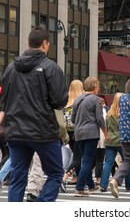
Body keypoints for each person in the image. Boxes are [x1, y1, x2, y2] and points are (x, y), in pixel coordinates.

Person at [2, 26, 68, 202]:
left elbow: (5, 100)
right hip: (43, 131)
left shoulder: (10, 68)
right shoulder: (51, 68)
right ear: (45, 44)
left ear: (28, 43)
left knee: (18, 176)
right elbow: (59, 101)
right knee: (55, 173)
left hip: (15, 130)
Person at [71, 77, 108, 197]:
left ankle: (91, 185)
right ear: (95, 87)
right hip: (91, 133)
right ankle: (79, 187)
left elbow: (73, 118)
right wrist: (105, 133)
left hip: (78, 133)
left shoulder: (77, 99)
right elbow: (99, 119)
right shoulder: (96, 100)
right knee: (88, 160)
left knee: (85, 159)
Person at [99, 92, 130, 192]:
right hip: (121, 141)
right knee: (126, 162)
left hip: (110, 140)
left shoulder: (109, 113)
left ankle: (103, 184)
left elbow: (106, 126)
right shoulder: (123, 113)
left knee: (108, 163)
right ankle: (129, 184)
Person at [61, 79, 84, 191]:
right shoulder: (81, 101)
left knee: (76, 155)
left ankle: (79, 179)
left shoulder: (66, 101)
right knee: (77, 158)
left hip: (68, 132)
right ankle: (63, 179)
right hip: (78, 131)